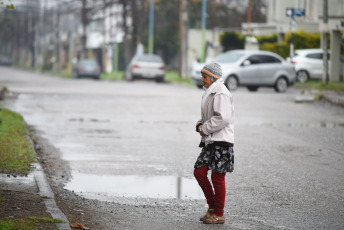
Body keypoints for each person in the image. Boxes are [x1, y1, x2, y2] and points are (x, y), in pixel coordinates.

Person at [193, 63, 234, 224]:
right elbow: (207, 116)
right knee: (199, 172)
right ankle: (212, 208)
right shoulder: (210, 92)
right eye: (202, 76)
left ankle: (219, 213)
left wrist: (205, 129)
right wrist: (199, 124)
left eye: (204, 77)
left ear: (213, 77)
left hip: (221, 140)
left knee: (218, 177)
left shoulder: (221, 93)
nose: (202, 79)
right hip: (211, 140)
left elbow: (223, 118)